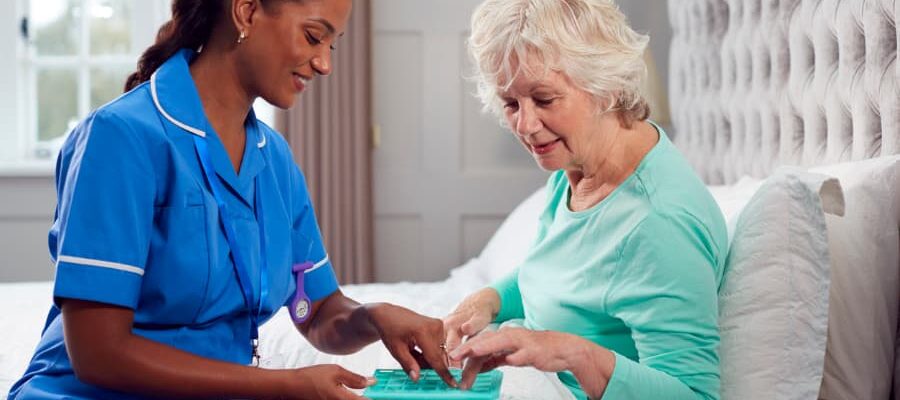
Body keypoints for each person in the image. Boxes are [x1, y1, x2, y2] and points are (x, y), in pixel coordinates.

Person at [8, 0, 456, 399]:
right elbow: (97, 353)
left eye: (331, 46)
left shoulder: (274, 160)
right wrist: (284, 386)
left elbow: (316, 311)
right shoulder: (121, 138)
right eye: (314, 36)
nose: (324, 65)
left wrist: (374, 317)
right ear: (246, 12)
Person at [442, 0, 727, 399]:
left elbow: (694, 394)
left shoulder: (659, 224)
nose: (525, 125)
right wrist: (487, 300)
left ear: (604, 85)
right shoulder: (575, 166)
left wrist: (571, 353)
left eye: (543, 99)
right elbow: (560, 275)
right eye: (511, 104)